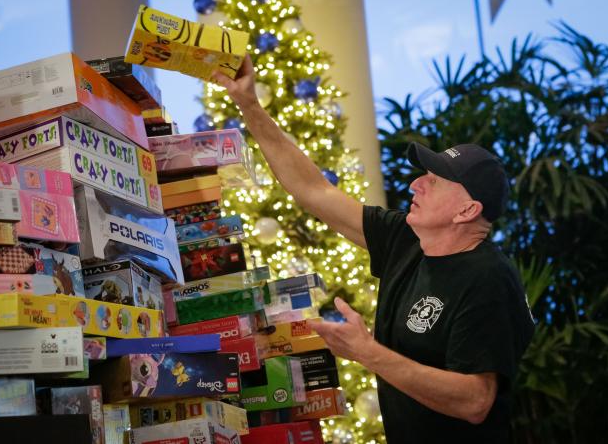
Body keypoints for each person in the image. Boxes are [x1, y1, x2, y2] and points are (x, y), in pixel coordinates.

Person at [213, 56, 535, 442]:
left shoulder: (488, 280)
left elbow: (475, 401)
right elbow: (314, 190)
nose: (417, 185)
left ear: (468, 210)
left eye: (434, 182)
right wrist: (248, 104)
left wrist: (367, 351)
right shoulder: (406, 240)